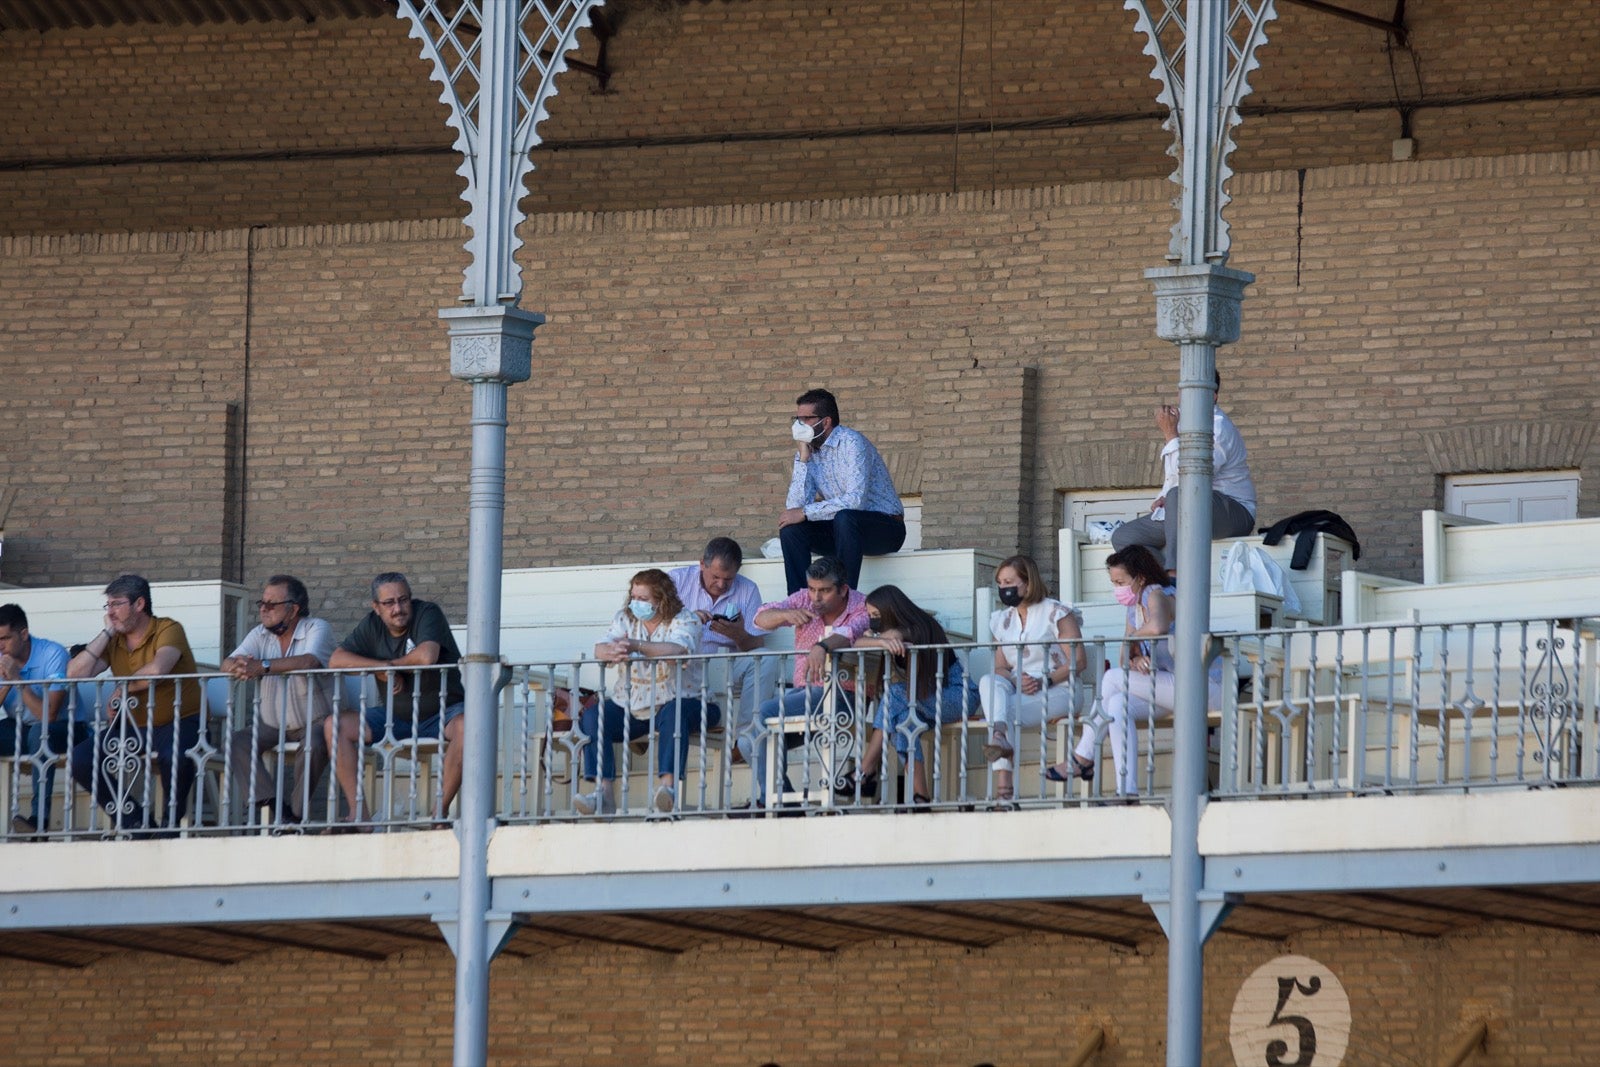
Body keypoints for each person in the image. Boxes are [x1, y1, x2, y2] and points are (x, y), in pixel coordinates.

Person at [1054, 545, 1222, 796]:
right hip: (1173, 688)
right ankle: (1126, 791)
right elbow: (1123, 659)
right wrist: (1134, 661)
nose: (1117, 588)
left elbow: (1157, 627)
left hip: (1204, 686)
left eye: (1121, 581)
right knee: (1118, 704)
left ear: (1140, 577)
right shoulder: (1133, 609)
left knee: (1111, 678)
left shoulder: (1157, 593)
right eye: (1113, 582)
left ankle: (1082, 756)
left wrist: (1133, 639)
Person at [573, 568, 718, 816]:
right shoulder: (625, 619)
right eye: (634, 597)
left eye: (643, 599)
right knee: (593, 716)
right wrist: (610, 652)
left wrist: (636, 645)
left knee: (675, 712)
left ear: (662, 600)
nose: (636, 603)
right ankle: (603, 795)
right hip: (634, 706)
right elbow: (601, 646)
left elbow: (678, 650)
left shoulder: (686, 619)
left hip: (689, 702)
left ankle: (667, 790)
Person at [326, 573, 465, 828]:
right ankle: (360, 816)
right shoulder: (371, 625)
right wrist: (379, 668)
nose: (398, 609)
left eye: (403, 600)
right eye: (389, 603)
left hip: (444, 713)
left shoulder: (427, 612)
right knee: (335, 725)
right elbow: (336, 660)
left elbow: (426, 656)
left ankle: (439, 813)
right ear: (376, 608)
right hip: (396, 718)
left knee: (468, 727)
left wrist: (389, 667)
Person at [67, 575, 203, 833]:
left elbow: (158, 669)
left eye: (116, 604)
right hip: (132, 727)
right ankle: (134, 821)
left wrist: (124, 687)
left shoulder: (168, 628)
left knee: (174, 756)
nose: (111, 612)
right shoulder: (114, 638)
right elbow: (75, 674)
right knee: (81, 759)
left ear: (139, 604)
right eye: (108, 606)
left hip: (179, 722)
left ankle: (171, 825)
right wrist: (107, 631)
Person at [750, 556, 872, 807]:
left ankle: (771, 802)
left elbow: (851, 633)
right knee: (751, 738)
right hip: (805, 696)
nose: (816, 597)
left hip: (844, 696)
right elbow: (759, 619)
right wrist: (786, 613)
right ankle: (783, 800)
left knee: (765, 712)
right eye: (812, 589)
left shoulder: (863, 605)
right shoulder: (803, 598)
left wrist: (822, 646)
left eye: (825, 591)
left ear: (843, 590)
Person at [842, 585, 977, 806]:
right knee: (903, 721)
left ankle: (865, 769)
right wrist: (880, 640)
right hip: (928, 701)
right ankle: (921, 796)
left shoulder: (924, 627)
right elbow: (853, 641)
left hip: (959, 697)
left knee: (895, 692)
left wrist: (887, 636)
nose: (872, 620)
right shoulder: (891, 635)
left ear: (892, 611)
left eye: (877, 615)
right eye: (870, 616)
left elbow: (899, 633)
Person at [1111, 370, 1256, 570]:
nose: (1181, 398)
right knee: (1125, 537)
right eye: (1181, 391)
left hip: (1234, 513)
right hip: (1187, 506)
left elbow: (1194, 477)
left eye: (1191, 391)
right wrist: (1163, 496)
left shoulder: (1218, 426)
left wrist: (1171, 434)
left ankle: (1174, 573)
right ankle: (1162, 583)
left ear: (1212, 396)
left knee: (1179, 495)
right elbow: (1175, 478)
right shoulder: (1186, 423)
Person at [222, 575, 335, 829]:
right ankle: (275, 806)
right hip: (273, 723)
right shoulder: (259, 634)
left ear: (293, 609)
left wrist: (260, 666)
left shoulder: (317, 628)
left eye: (271, 604)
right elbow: (226, 662)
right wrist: (237, 666)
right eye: (261, 603)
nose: (263, 609)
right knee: (237, 741)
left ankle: (294, 816)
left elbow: (309, 661)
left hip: (315, 720)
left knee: (315, 744)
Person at [976, 555, 1087, 803]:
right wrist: (1018, 681)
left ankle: (1004, 791)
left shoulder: (1057, 612)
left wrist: (1043, 681)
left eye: (1009, 581)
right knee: (987, 681)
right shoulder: (1001, 620)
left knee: (1004, 713)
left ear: (1027, 583)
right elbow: (1001, 668)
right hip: (1019, 687)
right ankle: (1000, 737)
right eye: (1000, 583)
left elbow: (1079, 661)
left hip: (1059, 687)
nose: (1004, 588)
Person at [778, 387, 906, 594]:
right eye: (796, 418)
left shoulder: (852, 442)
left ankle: (843, 596)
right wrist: (803, 459)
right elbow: (794, 508)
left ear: (826, 421)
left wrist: (805, 512)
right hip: (843, 532)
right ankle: (800, 599)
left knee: (846, 517)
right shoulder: (807, 451)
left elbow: (856, 501)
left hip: (886, 528)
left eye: (805, 419)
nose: (798, 425)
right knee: (791, 529)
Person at [668, 537, 778, 777]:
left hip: (727, 665)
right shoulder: (676, 581)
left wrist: (739, 635)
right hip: (684, 662)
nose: (720, 584)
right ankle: (646, 719)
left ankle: (744, 741)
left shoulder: (748, 589)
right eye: (715, 577)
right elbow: (655, 628)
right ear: (701, 565)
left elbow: (756, 644)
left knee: (766, 658)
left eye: (728, 580)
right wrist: (688, 620)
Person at [0, 604, 71, 836]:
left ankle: (39, 821)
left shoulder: (53, 654)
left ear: (23, 634)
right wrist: (8, 682)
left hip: (66, 730)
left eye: (5, 639)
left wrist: (17, 679)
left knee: (39, 733)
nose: (0, 646)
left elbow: (48, 715)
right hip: (19, 728)